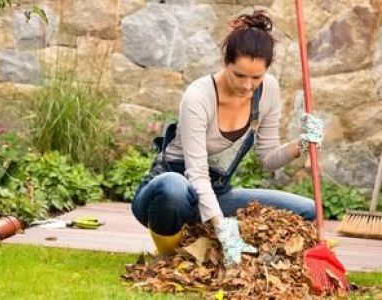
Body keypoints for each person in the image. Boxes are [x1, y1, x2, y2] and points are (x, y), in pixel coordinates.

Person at [131, 10, 323, 267]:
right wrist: (223, 228)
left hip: (217, 193)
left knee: (308, 209)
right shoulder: (198, 96)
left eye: (256, 77)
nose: (247, 86)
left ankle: (207, 243)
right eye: (239, 75)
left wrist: (301, 145)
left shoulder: (268, 91)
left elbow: (267, 158)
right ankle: (169, 258)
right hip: (168, 195)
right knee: (173, 188)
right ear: (225, 62)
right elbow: (196, 174)